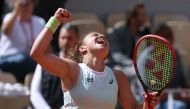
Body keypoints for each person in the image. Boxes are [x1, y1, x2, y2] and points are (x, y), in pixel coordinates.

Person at [30, 8, 161, 109]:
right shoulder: (72, 69)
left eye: (104, 37)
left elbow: (134, 108)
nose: (101, 36)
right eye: (95, 35)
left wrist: (148, 104)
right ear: (82, 48)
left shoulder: (118, 77)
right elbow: (37, 54)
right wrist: (55, 21)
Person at [30, 24, 79, 109]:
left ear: (77, 40)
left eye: (70, 38)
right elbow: (35, 92)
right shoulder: (45, 61)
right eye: (63, 38)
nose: (66, 42)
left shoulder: (81, 66)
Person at [0, 0, 45, 82]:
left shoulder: (39, 21)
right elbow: (6, 31)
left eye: (27, 4)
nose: (24, 7)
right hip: (7, 58)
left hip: (29, 60)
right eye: (22, 4)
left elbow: (45, 45)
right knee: (25, 60)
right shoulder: (9, 17)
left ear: (33, 5)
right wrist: (16, 10)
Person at [154, 23, 188, 109]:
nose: (170, 39)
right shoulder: (148, 57)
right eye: (166, 36)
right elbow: (151, 91)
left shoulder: (175, 53)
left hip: (173, 97)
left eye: (171, 35)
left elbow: (182, 80)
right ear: (157, 38)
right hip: (155, 101)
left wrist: (187, 92)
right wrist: (178, 96)